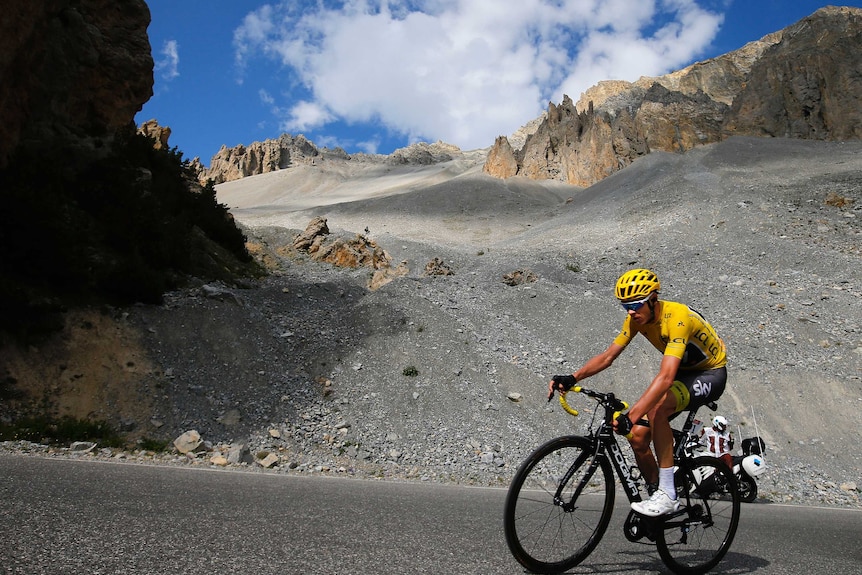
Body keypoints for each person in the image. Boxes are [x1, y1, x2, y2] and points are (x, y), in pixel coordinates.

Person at [547, 268, 727, 517]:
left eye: (636, 305)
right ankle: (658, 491)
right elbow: (608, 356)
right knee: (639, 438)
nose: (631, 311)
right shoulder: (635, 320)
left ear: (653, 299)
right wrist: (572, 377)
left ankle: (668, 496)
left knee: (656, 411)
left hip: (710, 373)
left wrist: (631, 416)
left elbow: (665, 378)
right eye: (625, 306)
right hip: (682, 372)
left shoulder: (678, 317)